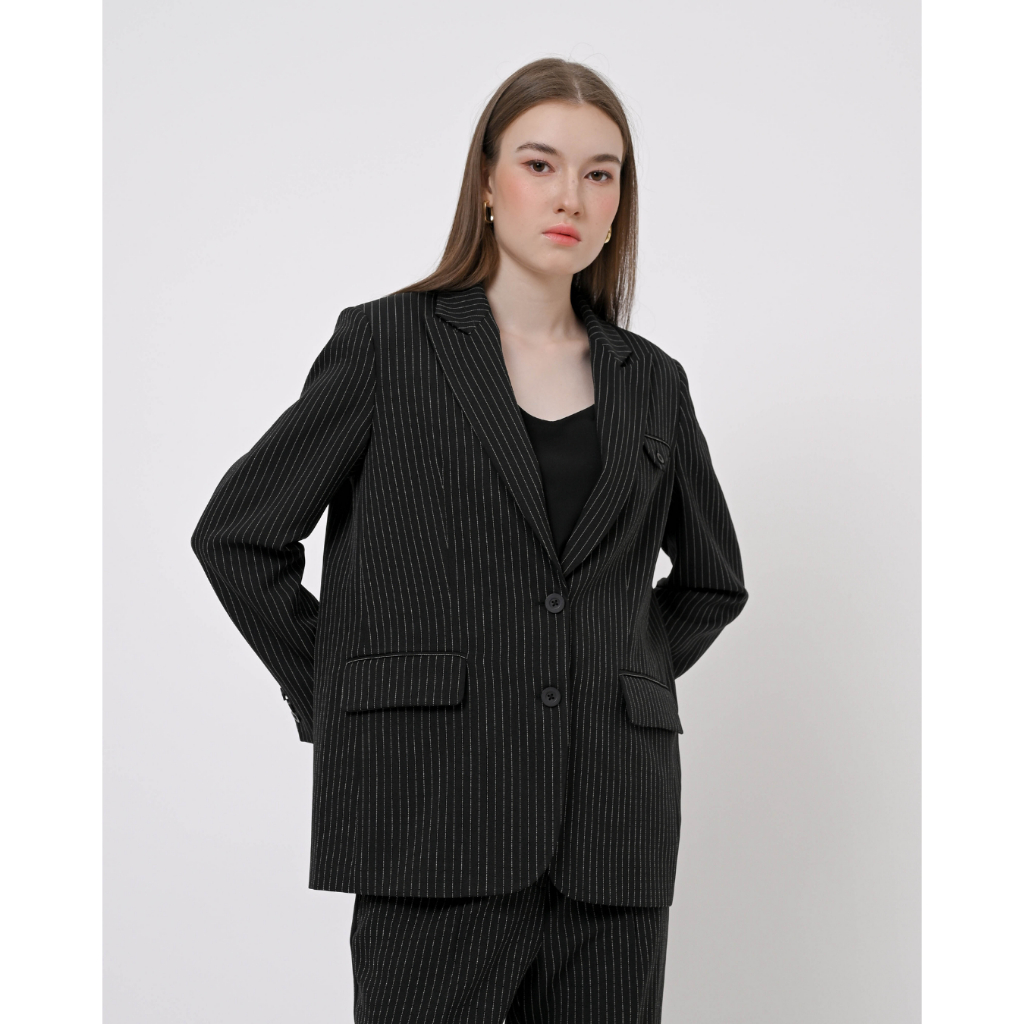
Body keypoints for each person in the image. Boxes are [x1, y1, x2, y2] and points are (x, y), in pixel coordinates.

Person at [191, 57, 748, 1024]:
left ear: (619, 203)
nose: (571, 196)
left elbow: (712, 581)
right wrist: (342, 695)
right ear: (487, 182)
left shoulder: (653, 382)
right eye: (540, 164)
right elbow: (239, 537)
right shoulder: (389, 345)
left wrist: (612, 678)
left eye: (601, 173)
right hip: (432, 820)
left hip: (611, 837)